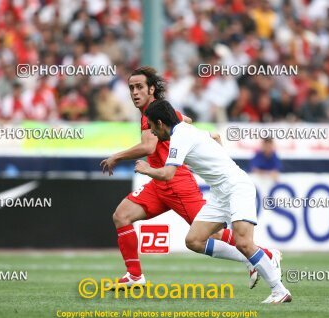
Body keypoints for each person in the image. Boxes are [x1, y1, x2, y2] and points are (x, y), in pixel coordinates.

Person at [100, 67, 276, 290]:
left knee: (210, 233)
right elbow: (188, 120)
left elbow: (148, 145)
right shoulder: (160, 111)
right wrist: (201, 133)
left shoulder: (149, 116)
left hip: (176, 182)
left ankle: (266, 255)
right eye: (131, 88)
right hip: (158, 183)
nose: (134, 92)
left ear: (151, 89)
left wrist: (117, 156)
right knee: (122, 215)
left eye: (139, 87)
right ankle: (135, 275)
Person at [135, 99, 291, 304]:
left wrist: (147, 169)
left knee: (244, 242)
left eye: (152, 127)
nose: (153, 133)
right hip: (220, 193)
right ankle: (257, 259)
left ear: (160, 123)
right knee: (194, 241)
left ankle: (279, 290)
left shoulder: (180, 137)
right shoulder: (188, 131)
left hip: (236, 187)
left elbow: (167, 173)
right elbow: (215, 136)